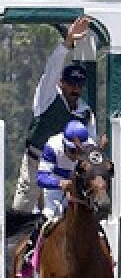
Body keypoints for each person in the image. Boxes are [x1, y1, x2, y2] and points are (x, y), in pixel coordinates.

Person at [12, 16, 98, 214]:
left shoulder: (85, 113)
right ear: (62, 83)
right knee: (20, 214)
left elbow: (91, 145)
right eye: (70, 83)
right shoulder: (48, 97)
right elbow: (51, 70)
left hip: (65, 170)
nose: (75, 88)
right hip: (35, 164)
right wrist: (68, 42)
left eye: (79, 85)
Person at [17, 120, 95, 273]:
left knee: (94, 220)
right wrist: (61, 184)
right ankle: (29, 254)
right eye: (72, 151)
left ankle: (108, 255)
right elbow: (41, 178)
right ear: (65, 144)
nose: (75, 156)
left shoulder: (91, 147)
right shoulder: (53, 145)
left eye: (79, 152)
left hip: (80, 191)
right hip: (56, 189)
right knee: (48, 217)